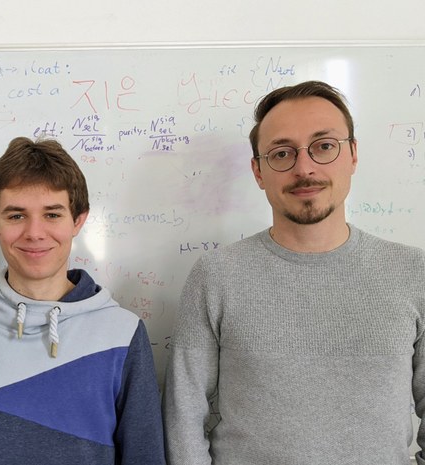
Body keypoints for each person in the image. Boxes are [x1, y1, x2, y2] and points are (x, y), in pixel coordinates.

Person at [163, 80, 425, 464]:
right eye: (282, 153)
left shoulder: (413, 273)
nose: (304, 168)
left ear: (352, 154)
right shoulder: (216, 276)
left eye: (324, 146)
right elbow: (184, 418)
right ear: (258, 171)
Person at [0, 136, 165, 465]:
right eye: (16, 216)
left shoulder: (123, 333)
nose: (35, 233)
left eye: (52, 215)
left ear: (78, 221)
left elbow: (144, 456)